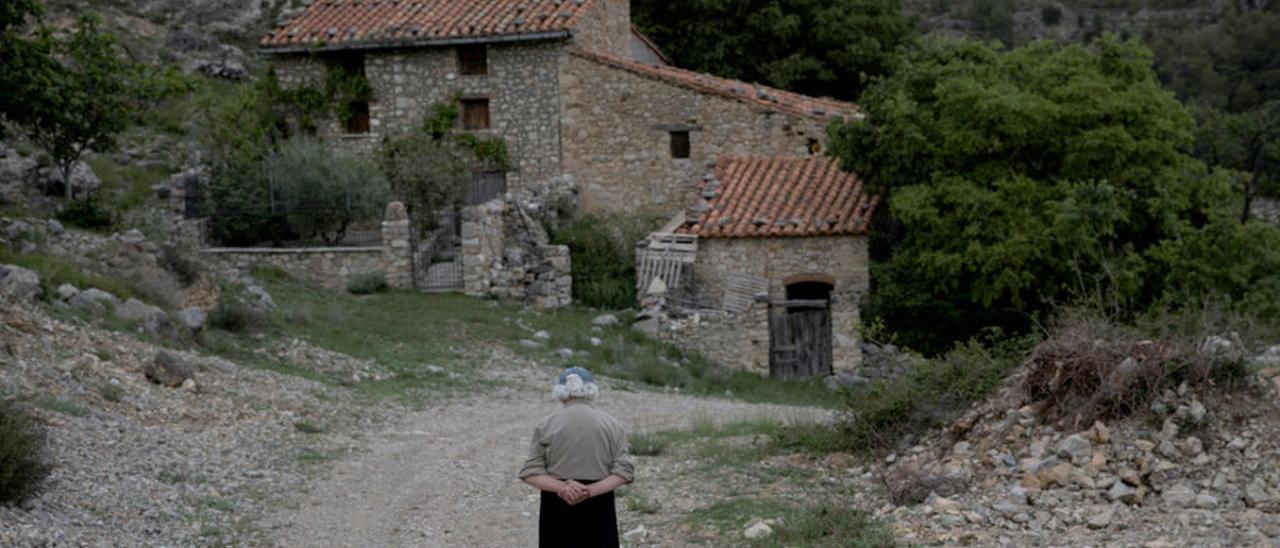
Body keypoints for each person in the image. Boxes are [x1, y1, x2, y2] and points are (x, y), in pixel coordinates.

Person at [519, 367, 634, 547]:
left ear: (560, 392)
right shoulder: (612, 425)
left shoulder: (545, 425)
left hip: (556, 504)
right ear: (591, 391)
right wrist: (588, 492)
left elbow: (530, 472)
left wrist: (564, 488)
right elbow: (624, 472)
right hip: (599, 503)